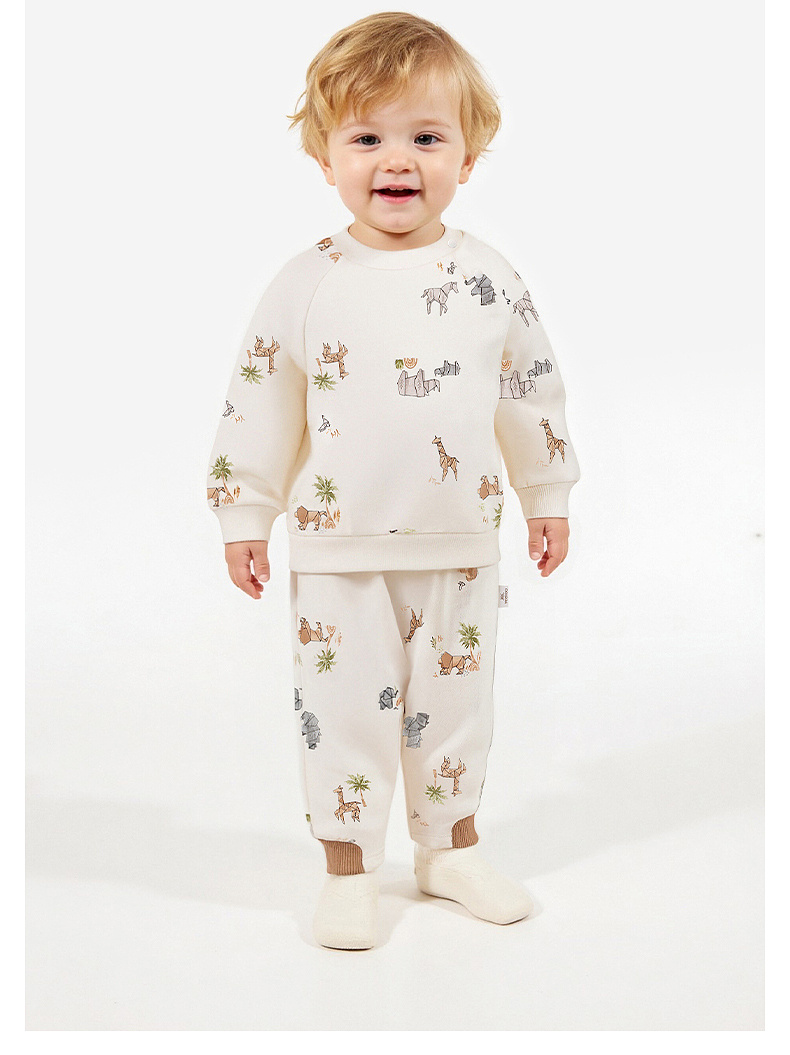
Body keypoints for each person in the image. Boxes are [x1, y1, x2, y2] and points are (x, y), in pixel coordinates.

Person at [206, 12, 580, 950]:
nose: (397, 160)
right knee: (343, 711)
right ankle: (348, 867)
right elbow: (260, 396)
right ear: (324, 156)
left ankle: (448, 851)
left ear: (468, 156)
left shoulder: (489, 278)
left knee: (455, 708)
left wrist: (546, 494)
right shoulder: (307, 281)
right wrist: (245, 512)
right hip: (340, 552)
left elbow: (530, 389)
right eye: (367, 138)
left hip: (460, 546)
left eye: (426, 137)